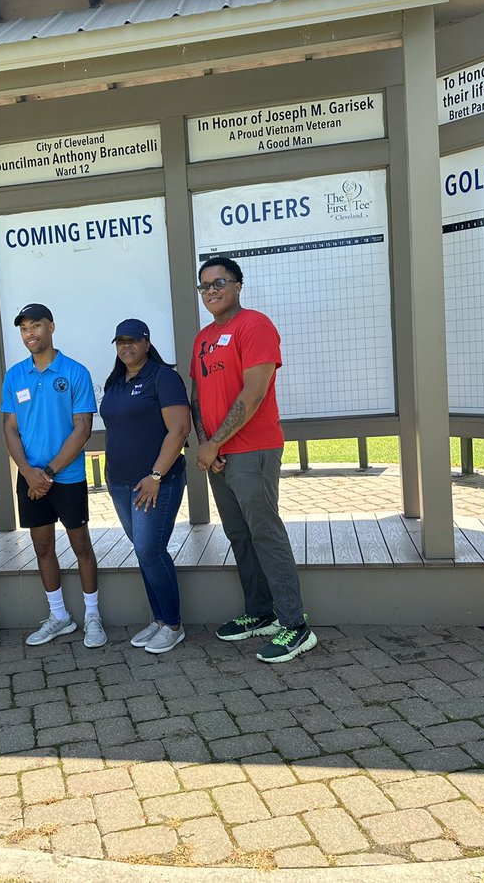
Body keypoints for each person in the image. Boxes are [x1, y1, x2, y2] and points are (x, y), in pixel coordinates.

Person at [190, 257, 317, 663]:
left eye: (220, 282)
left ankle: (295, 626)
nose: (212, 290)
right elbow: (198, 397)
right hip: (220, 455)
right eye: (205, 285)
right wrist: (208, 444)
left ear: (238, 285)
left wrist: (215, 445)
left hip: (253, 450)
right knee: (240, 536)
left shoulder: (255, 326)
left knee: (265, 533)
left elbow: (254, 393)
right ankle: (260, 612)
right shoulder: (203, 338)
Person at [1, 303, 105, 648]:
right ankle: (59, 616)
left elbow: (83, 428)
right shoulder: (15, 375)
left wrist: (47, 472)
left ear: (51, 327)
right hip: (30, 479)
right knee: (43, 548)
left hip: (66, 477)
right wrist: (29, 473)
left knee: (81, 547)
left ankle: (92, 616)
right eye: (24, 328)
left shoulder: (75, 372)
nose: (30, 334)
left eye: (36, 326)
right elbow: (10, 428)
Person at [99, 319, 191, 654]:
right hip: (121, 483)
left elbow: (179, 430)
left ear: (147, 342)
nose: (126, 347)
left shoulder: (163, 377)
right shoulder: (116, 381)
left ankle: (174, 624)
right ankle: (159, 620)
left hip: (155, 482)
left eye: (133, 341)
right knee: (143, 552)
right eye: (120, 341)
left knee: (150, 550)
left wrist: (155, 476)